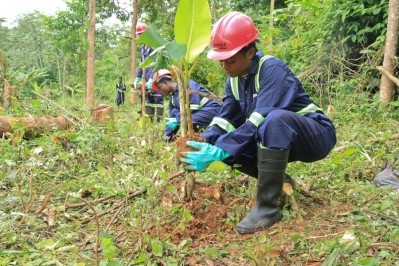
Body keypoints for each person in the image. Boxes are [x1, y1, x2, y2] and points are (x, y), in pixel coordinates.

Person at [180, 12, 336, 234]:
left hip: (316, 135)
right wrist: (203, 141)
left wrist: (221, 149)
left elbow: (261, 118)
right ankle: (278, 181)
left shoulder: (272, 70)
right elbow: (225, 120)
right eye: (221, 59)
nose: (225, 65)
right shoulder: (234, 81)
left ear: (250, 52)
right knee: (228, 144)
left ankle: (267, 207)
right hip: (281, 137)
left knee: (271, 121)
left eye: (231, 59)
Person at [152, 69, 222, 142]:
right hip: (201, 113)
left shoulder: (187, 85)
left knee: (185, 120)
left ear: (165, 83)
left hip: (214, 109)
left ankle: (202, 139)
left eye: (160, 88)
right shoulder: (173, 99)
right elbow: (172, 119)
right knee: (179, 116)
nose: (160, 91)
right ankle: (197, 137)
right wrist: (165, 138)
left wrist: (178, 120)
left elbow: (193, 106)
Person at [133, 22, 164, 122]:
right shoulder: (143, 49)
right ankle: (150, 121)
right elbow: (141, 64)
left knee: (157, 99)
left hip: (157, 76)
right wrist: (137, 77)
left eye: (140, 35)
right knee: (149, 99)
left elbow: (155, 64)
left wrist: (151, 79)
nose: (139, 37)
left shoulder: (154, 46)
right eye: (138, 35)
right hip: (147, 77)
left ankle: (158, 122)